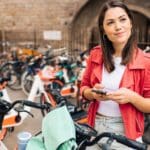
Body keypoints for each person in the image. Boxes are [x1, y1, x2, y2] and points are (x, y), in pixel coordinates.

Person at [80, 0, 150, 149]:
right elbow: (84, 88)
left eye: (123, 19)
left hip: (126, 130)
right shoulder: (96, 54)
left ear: (131, 23)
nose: (118, 27)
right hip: (94, 126)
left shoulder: (145, 62)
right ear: (103, 29)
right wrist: (92, 93)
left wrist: (132, 97)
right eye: (110, 22)